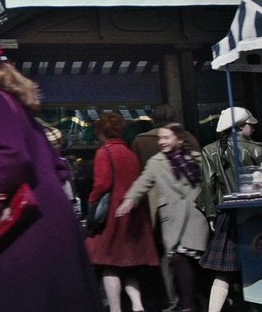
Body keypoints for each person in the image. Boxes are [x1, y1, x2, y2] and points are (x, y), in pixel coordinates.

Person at [0, 43, 103, 312]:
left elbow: (11, 158)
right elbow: (57, 165)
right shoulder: (11, 101)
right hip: (48, 220)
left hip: (30, 229)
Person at [117, 123, 211, 312]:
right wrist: (129, 199)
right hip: (173, 219)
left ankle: (197, 304)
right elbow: (143, 182)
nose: (161, 142)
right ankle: (189, 306)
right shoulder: (156, 162)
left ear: (179, 139)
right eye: (160, 138)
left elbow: (210, 183)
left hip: (195, 217)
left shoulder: (197, 159)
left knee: (192, 262)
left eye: (166, 137)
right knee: (179, 258)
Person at [85, 112, 159, 312]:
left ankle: (115, 309)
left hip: (112, 215)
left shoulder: (104, 152)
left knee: (109, 265)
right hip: (133, 214)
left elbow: (102, 184)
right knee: (128, 264)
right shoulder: (129, 153)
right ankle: (137, 305)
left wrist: (92, 201)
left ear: (101, 132)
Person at [130, 104, 200, 311]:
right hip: (189, 202)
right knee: (190, 252)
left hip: (157, 203)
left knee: (166, 253)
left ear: (153, 119)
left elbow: (138, 175)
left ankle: (172, 299)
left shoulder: (141, 140)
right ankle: (194, 299)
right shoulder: (187, 137)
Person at [197, 107, 262, 312]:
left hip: (227, 215)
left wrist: (211, 214)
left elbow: (208, 185)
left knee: (224, 271)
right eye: (250, 124)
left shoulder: (209, 150)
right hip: (257, 214)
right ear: (240, 126)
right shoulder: (258, 150)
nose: (253, 128)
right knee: (259, 266)